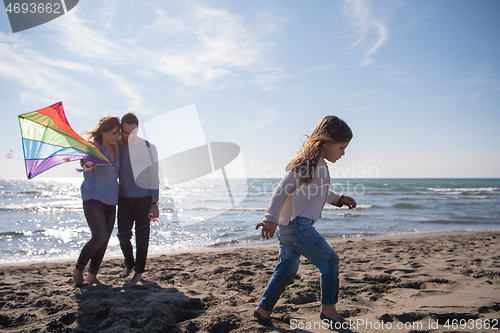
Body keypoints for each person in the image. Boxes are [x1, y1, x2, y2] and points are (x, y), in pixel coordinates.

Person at [254, 115, 357, 326]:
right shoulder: (307, 165)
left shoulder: (316, 165)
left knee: (286, 268)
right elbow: (281, 190)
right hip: (297, 226)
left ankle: (263, 310)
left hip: (288, 227)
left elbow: (319, 192)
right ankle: (328, 310)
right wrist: (270, 218)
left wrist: (338, 199)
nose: (343, 153)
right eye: (342, 148)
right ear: (326, 141)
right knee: (330, 261)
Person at [73, 116, 121, 287]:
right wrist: (88, 160)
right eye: (114, 133)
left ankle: (92, 275)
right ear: (103, 132)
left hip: (111, 198)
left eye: (118, 133)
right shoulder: (93, 147)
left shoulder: (117, 147)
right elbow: (85, 163)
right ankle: (78, 270)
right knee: (99, 235)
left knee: (105, 238)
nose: (117, 136)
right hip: (93, 198)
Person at [117, 112, 160, 282]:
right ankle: (129, 263)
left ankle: (139, 273)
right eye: (125, 133)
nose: (129, 136)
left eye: (132, 133)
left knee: (142, 239)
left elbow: (154, 176)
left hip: (144, 200)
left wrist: (154, 203)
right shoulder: (118, 147)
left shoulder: (149, 148)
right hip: (124, 200)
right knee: (123, 236)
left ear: (138, 129)